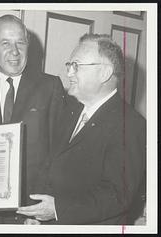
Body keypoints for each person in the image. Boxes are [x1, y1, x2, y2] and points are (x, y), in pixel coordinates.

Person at [17, 33, 146, 225]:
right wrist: (39, 217)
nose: (69, 73)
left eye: (76, 66)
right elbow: (53, 168)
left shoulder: (131, 124)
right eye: (69, 66)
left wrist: (57, 210)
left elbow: (117, 195)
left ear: (104, 73)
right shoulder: (71, 109)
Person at [0, 15, 67, 224]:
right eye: (5, 43)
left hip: (32, 212)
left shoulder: (50, 87)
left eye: (20, 42)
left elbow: (60, 152)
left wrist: (41, 211)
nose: (15, 51)